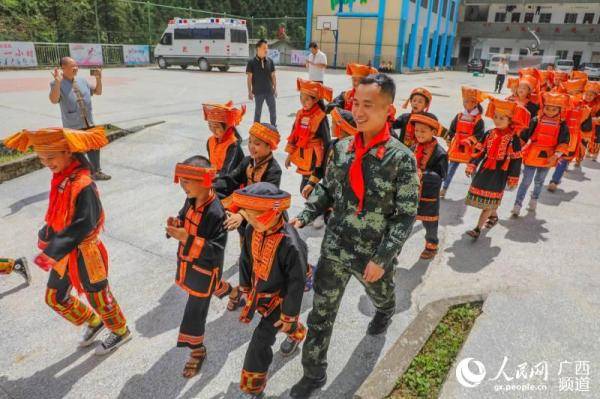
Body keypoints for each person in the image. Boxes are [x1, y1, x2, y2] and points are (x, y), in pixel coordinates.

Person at [289, 74, 419, 398]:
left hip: (371, 255)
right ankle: (314, 373)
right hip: (335, 247)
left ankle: (385, 311)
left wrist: (382, 258)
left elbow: (404, 218)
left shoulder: (401, 159)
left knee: (382, 296)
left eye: (368, 106)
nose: (358, 112)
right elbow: (327, 189)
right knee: (320, 314)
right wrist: (305, 214)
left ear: (388, 109)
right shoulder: (342, 148)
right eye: (356, 104)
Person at [3, 127, 131, 354]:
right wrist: (48, 232)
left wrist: (53, 249)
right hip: (65, 252)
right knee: (55, 297)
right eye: (42, 158)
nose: (46, 163)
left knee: (98, 296)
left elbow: (84, 224)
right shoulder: (61, 177)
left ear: (68, 152)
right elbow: (59, 214)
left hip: (86, 251)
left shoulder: (83, 184)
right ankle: (94, 321)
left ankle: (120, 331)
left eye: (50, 157)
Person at [229, 183, 308, 398]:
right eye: (249, 216)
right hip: (259, 291)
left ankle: (253, 388)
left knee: (260, 340)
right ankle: (297, 333)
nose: (251, 221)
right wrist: (245, 287)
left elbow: (296, 282)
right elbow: (245, 259)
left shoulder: (290, 243)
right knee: (275, 327)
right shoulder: (251, 229)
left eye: (255, 216)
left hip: (280, 298)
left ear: (272, 213)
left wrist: (289, 315)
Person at [167, 156, 231, 378]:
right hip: (191, 264)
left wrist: (188, 239)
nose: (183, 186)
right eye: (181, 181)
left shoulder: (216, 212)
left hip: (206, 268)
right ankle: (233, 293)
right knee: (212, 288)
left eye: (187, 182)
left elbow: (216, 250)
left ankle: (197, 351)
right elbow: (184, 217)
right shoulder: (192, 199)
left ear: (205, 182)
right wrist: (176, 225)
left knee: (195, 311)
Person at [213, 122, 282, 311]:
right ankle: (246, 290)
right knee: (247, 254)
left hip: (265, 221)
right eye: (250, 142)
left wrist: (242, 214)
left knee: (264, 258)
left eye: (258, 144)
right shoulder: (248, 161)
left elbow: (266, 200)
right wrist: (211, 190)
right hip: (245, 220)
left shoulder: (274, 171)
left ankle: (253, 292)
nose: (252, 146)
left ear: (270, 146)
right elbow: (231, 179)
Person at [464, 99, 529, 239]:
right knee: (487, 200)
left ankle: (477, 229)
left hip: (500, 173)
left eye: (502, 118)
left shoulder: (513, 139)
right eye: (496, 117)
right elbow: (479, 151)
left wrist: (513, 178)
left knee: (488, 203)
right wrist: (472, 164)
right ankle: (493, 217)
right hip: (485, 170)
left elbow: (516, 160)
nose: (497, 120)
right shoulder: (489, 133)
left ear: (510, 120)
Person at [49, 57, 111, 181]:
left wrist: (98, 79)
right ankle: (80, 174)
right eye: (72, 66)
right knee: (77, 151)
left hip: (88, 120)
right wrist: (57, 83)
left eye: (76, 65)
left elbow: (98, 92)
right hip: (73, 123)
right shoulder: (57, 83)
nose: (76, 68)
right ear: (63, 68)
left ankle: (96, 172)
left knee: (94, 147)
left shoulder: (82, 80)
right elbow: (54, 100)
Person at [511, 92, 570, 216]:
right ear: (543, 108)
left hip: (548, 157)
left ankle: (534, 199)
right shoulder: (535, 120)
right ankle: (517, 204)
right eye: (547, 108)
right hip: (532, 154)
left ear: (559, 110)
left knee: (539, 181)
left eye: (554, 109)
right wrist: (515, 150)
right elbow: (524, 135)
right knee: (526, 181)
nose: (550, 111)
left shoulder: (562, 125)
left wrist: (555, 156)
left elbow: (564, 142)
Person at [410, 112, 448, 259]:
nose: (419, 134)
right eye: (417, 130)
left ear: (433, 132)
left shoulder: (440, 153)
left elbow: (440, 176)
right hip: (411, 194)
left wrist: (420, 174)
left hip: (428, 196)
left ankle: (431, 245)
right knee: (406, 220)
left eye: (423, 131)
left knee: (430, 224)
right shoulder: (413, 147)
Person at [285, 78, 332, 194]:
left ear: (315, 99)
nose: (303, 102)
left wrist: (325, 164)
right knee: (306, 189)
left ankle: (320, 208)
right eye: (301, 98)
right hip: (303, 156)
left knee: (306, 189)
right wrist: (289, 155)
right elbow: (293, 134)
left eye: (307, 99)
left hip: (316, 159)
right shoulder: (300, 114)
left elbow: (327, 141)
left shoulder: (320, 116)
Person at [441, 87, 487, 197]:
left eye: (468, 101)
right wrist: (449, 137)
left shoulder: (478, 120)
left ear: (475, 103)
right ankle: (444, 189)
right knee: (450, 169)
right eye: (464, 101)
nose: (466, 103)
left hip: (469, 148)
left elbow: (479, 135)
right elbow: (452, 129)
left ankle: (475, 191)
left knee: (471, 169)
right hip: (457, 146)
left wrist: (469, 141)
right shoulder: (459, 116)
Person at [548, 79, 592, 191]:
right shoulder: (562, 105)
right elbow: (586, 127)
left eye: (577, 92)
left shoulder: (583, 108)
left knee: (562, 159)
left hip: (566, 137)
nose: (574, 96)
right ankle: (554, 180)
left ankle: (554, 180)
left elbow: (587, 127)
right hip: (563, 136)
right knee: (562, 159)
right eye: (573, 93)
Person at [203, 101, 245, 177]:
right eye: (210, 125)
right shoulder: (210, 141)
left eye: (216, 127)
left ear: (227, 126)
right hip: (216, 178)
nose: (212, 130)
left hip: (231, 181)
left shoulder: (233, 145)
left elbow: (227, 172)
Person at [247, 39, 277, 127]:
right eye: (264, 48)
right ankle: (256, 127)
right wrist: (249, 92)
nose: (266, 50)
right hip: (258, 92)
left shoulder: (270, 61)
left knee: (273, 110)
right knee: (258, 111)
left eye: (267, 48)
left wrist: (275, 88)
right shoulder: (251, 62)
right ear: (258, 48)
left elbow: (273, 76)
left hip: (269, 91)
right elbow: (249, 78)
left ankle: (273, 126)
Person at [583, 81, 600, 161]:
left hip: (597, 125)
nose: (588, 97)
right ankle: (586, 152)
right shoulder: (581, 102)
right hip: (586, 124)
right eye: (586, 94)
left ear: (595, 96)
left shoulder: (598, 104)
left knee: (596, 139)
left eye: (591, 95)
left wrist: (596, 119)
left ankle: (595, 153)